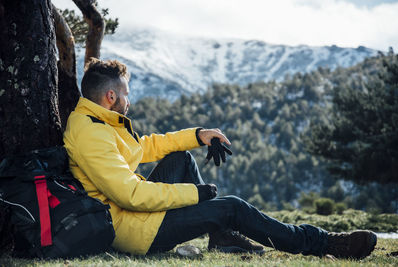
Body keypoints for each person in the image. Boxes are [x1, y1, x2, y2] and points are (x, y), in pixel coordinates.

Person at [63, 58, 377, 259]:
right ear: (111, 97)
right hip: (135, 232)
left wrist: (197, 135)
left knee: (181, 158)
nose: (129, 101)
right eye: (126, 94)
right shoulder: (91, 133)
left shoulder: (101, 120)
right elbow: (129, 194)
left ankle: (222, 235)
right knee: (233, 207)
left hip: (134, 216)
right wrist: (196, 193)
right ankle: (324, 243)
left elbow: (142, 148)